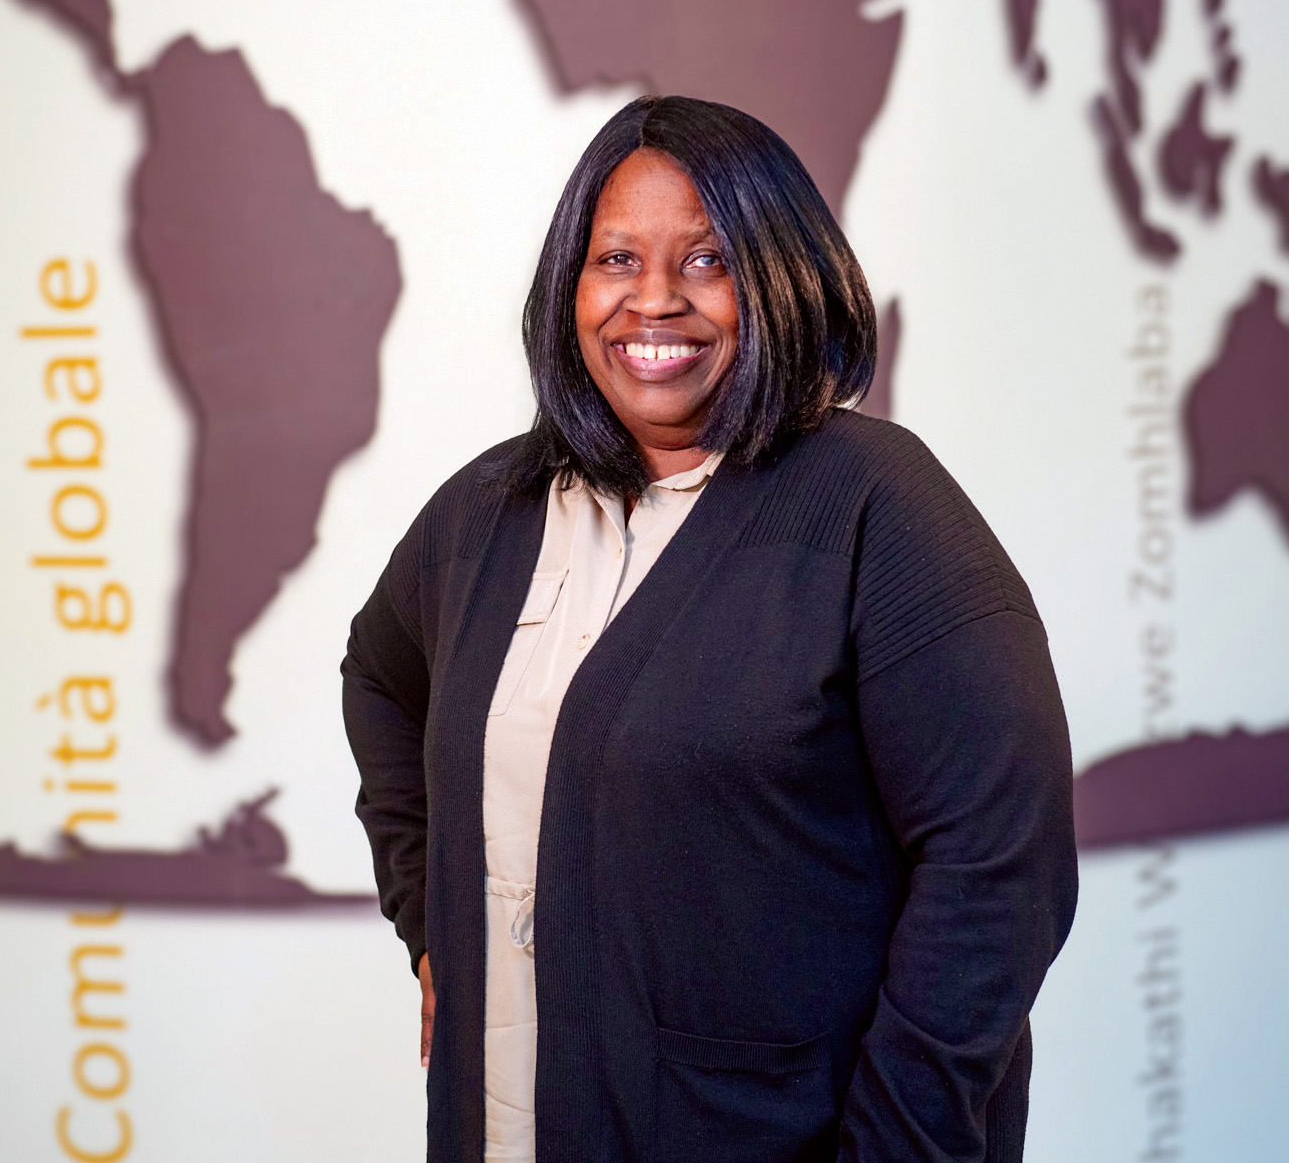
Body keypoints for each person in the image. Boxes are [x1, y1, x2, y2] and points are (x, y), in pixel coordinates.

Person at [342, 95, 1076, 1163]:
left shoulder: (875, 506)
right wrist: (429, 923)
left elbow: (997, 860)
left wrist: (905, 1139)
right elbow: (382, 673)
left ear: (780, 276)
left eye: (706, 262)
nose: (653, 301)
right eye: (615, 260)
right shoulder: (488, 511)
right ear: (569, 287)